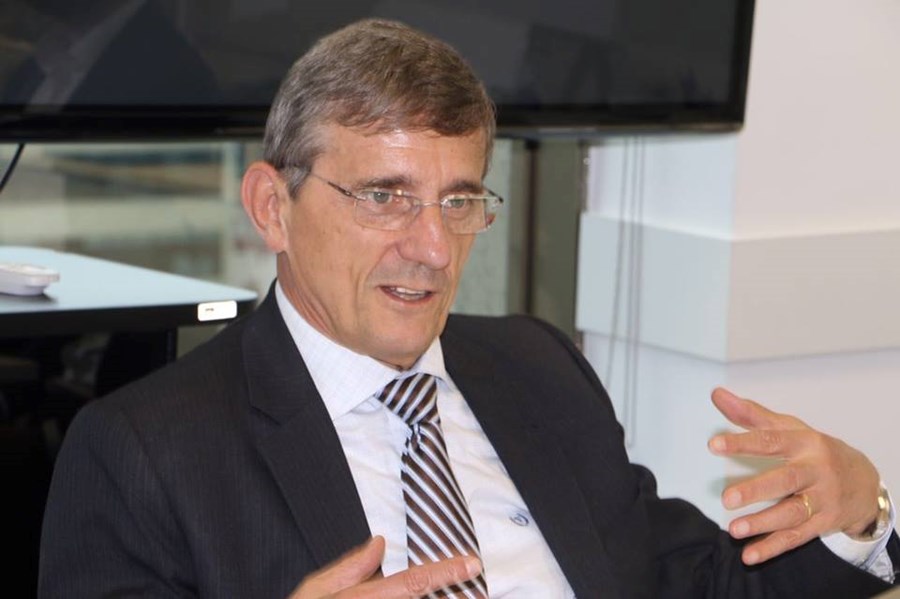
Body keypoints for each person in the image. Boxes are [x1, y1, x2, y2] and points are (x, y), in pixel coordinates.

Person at [38, 18, 898, 598]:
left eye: (459, 200)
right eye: (384, 196)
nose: (434, 247)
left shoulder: (536, 366)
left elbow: (687, 578)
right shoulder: (144, 450)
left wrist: (859, 515)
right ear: (273, 208)